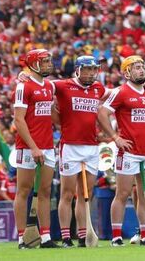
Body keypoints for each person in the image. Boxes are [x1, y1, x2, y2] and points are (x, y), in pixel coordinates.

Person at [99, 55, 145, 246]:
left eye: (142, 66)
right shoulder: (121, 92)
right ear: (127, 72)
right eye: (136, 67)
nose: (141, 70)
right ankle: (116, 236)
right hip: (128, 152)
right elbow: (102, 113)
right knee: (123, 193)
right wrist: (115, 138)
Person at [53, 55, 106, 247]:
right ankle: (66, 237)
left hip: (91, 146)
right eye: (87, 69)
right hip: (70, 146)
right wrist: (24, 77)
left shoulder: (98, 88)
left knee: (86, 193)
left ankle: (83, 236)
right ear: (77, 70)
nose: (91, 73)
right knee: (67, 193)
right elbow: (42, 86)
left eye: (94, 69)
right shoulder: (63, 85)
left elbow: (116, 93)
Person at [12, 48, 58, 248]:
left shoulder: (49, 86)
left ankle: (45, 237)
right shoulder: (23, 87)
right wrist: (34, 147)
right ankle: (23, 237)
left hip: (47, 146)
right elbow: (18, 120)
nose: (49, 64)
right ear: (33, 64)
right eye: (44, 61)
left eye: (49, 61)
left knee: (45, 190)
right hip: (28, 147)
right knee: (23, 190)